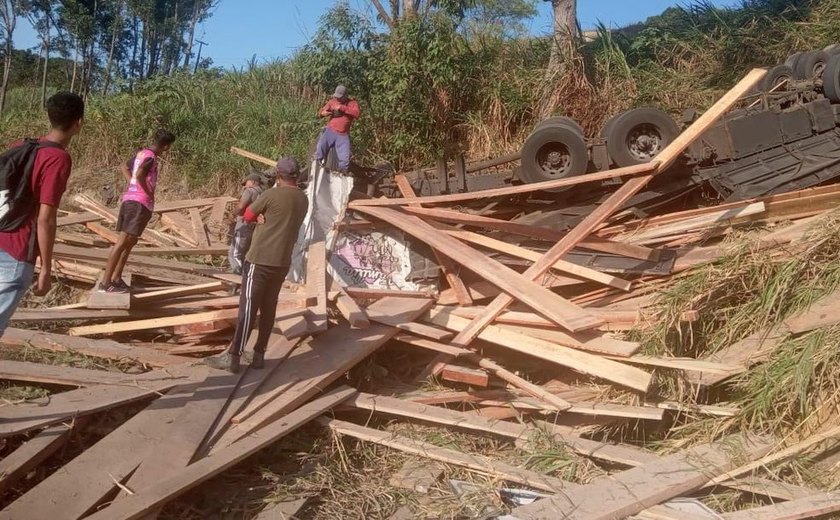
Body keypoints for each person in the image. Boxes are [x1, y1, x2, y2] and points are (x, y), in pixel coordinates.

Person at [206, 157, 309, 373]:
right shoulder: (303, 199)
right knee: (269, 307)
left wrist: (259, 217)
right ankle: (259, 354)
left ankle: (234, 356)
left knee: (249, 307)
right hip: (282, 262)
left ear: (278, 176)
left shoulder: (271, 195)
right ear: (296, 175)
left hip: (260, 259)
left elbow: (248, 214)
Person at [0, 92, 85, 336]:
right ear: (78, 123)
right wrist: (46, 268)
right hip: (16, 254)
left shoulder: (22, 145)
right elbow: (45, 218)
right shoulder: (57, 158)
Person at [99, 129, 176, 293]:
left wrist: (132, 183)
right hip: (138, 203)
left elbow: (124, 167)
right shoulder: (151, 157)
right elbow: (140, 174)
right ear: (167, 146)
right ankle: (106, 283)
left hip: (131, 200)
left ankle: (116, 278)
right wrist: (148, 192)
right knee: (122, 242)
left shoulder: (142, 153)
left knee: (130, 242)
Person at [314, 85, 361, 173]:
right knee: (320, 149)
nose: (338, 99)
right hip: (330, 131)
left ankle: (341, 174)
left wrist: (342, 108)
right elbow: (321, 112)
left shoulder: (352, 103)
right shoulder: (332, 102)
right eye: (337, 97)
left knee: (344, 159)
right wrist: (325, 113)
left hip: (343, 135)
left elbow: (357, 114)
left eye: (340, 97)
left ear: (345, 96)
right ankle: (316, 168)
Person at [228, 172, 263, 274]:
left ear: (252, 181)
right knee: (246, 254)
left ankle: (239, 277)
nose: (245, 186)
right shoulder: (264, 193)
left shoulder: (250, 191)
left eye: (246, 183)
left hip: (244, 224)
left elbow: (241, 206)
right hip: (256, 226)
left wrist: (232, 214)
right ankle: (246, 276)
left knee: (234, 254)